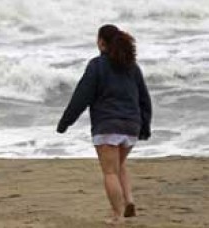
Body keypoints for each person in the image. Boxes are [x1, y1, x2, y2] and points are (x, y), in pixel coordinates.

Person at [57, 25, 152, 225]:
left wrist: (65, 122)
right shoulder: (132, 67)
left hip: (107, 126)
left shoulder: (97, 65)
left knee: (109, 172)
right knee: (119, 165)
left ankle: (117, 216)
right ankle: (129, 201)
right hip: (132, 126)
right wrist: (144, 127)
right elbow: (145, 99)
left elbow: (81, 97)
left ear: (102, 43)